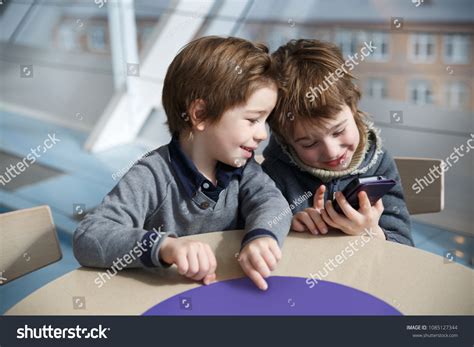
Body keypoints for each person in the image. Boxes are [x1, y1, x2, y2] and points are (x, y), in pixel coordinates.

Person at [74, 36, 292, 291]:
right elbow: (89, 236)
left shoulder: (244, 169)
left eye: (265, 121)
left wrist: (262, 236)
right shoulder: (152, 176)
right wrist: (166, 247)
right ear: (199, 114)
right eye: (253, 119)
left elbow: (273, 203)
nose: (263, 134)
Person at [262, 39, 413, 246]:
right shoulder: (273, 174)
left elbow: (404, 245)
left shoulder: (380, 163)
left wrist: (371, 232)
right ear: (284, 140)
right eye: (308, 144)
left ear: (352, 105)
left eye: (339, 131)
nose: (332, 152)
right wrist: (288, 228)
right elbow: (251, 236)